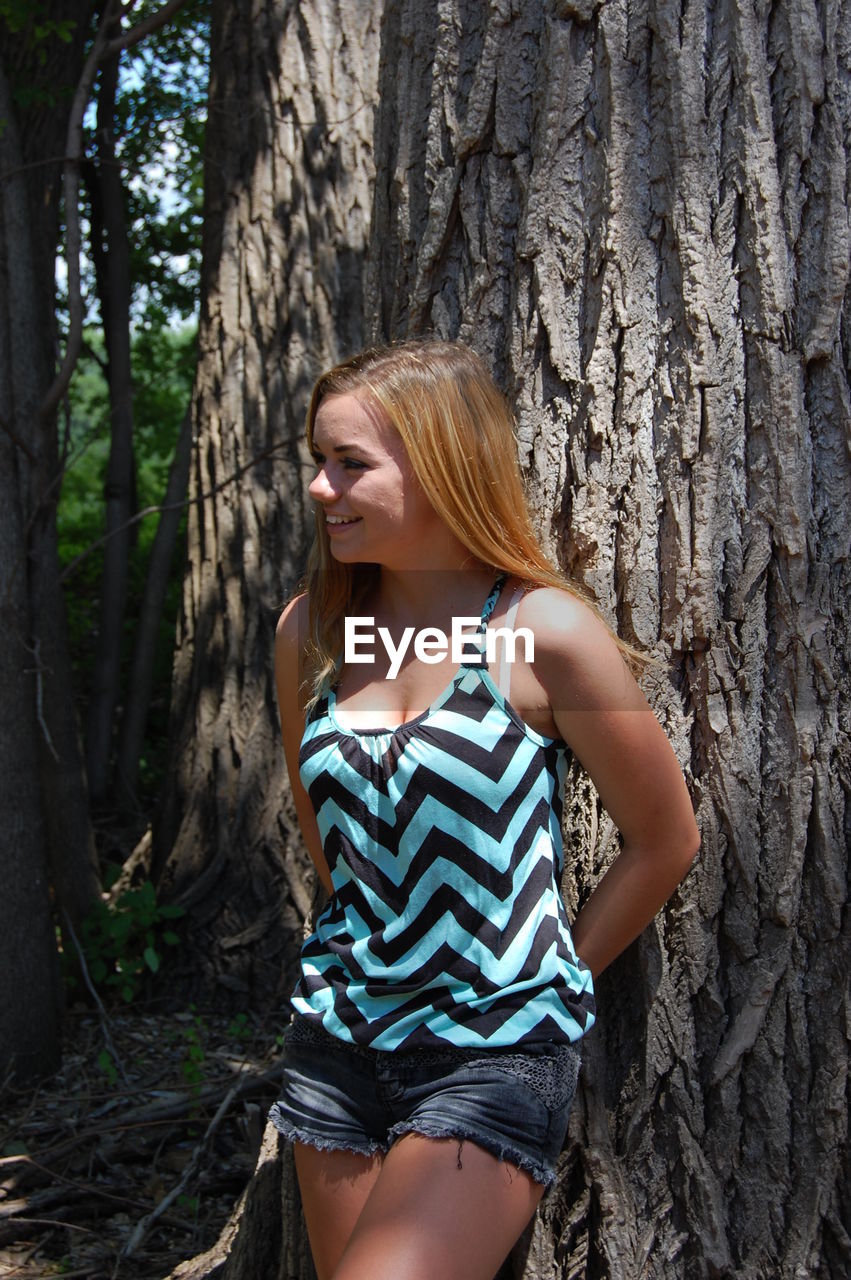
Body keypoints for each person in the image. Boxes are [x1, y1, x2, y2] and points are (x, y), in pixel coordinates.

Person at [270, 338, 700, 1280]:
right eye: (317, 460)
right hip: (338, 1040)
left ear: (440, 469)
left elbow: (664, 840)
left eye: (350, 464)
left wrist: (548, 980)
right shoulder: (310, 628)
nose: (317, 487)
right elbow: (329, 845)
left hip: (491, 1052)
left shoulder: (538, 633)